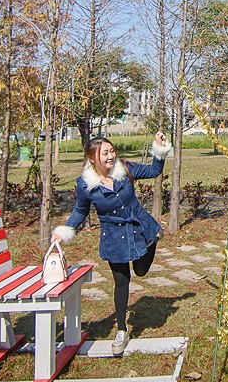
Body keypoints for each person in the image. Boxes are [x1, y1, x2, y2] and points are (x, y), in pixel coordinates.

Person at [51, 131, 170, 356]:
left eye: (112, 151)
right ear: (92, 158)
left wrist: (159, 148)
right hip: (113, 237)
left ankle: (153, 238)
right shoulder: (85, 184)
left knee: (141, 271)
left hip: (139, 228)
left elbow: (155, 171)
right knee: (121, 281)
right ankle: (122, 330)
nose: (110, 156)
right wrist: (63, 232)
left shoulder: (125, 169)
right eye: (105, 153)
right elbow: (80, 211)